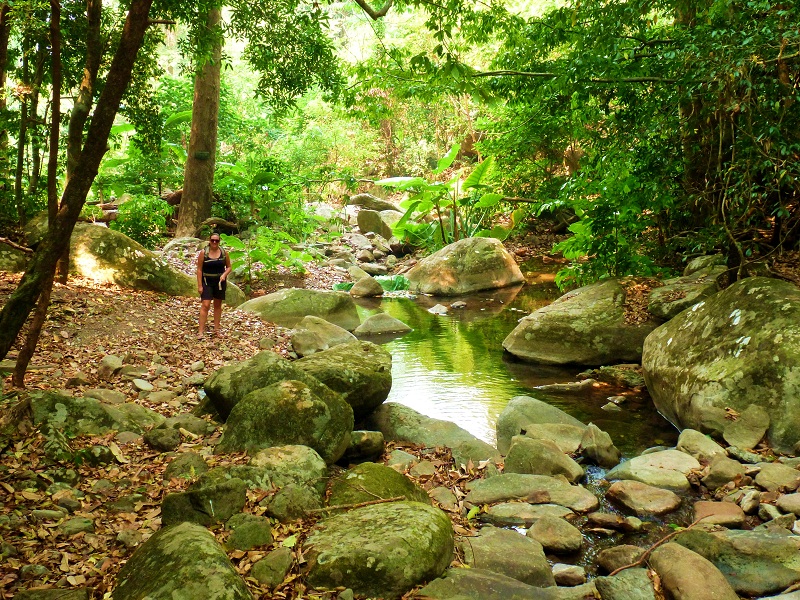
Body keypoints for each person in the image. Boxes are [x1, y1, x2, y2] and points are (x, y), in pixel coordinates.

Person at [196, 232, 232, 337]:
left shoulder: (224, 253)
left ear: (219, 241)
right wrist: (200, 285)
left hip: (220, 282)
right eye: (213, 240)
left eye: (217, 240)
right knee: (205, 305)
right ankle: (200, 332)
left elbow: (229, 267)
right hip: (207, 281)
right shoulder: (204, 253)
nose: (214, 242)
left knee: (217, 305)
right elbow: (199, 270)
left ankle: (216, 330)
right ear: (209, 241)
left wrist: (224, 275)